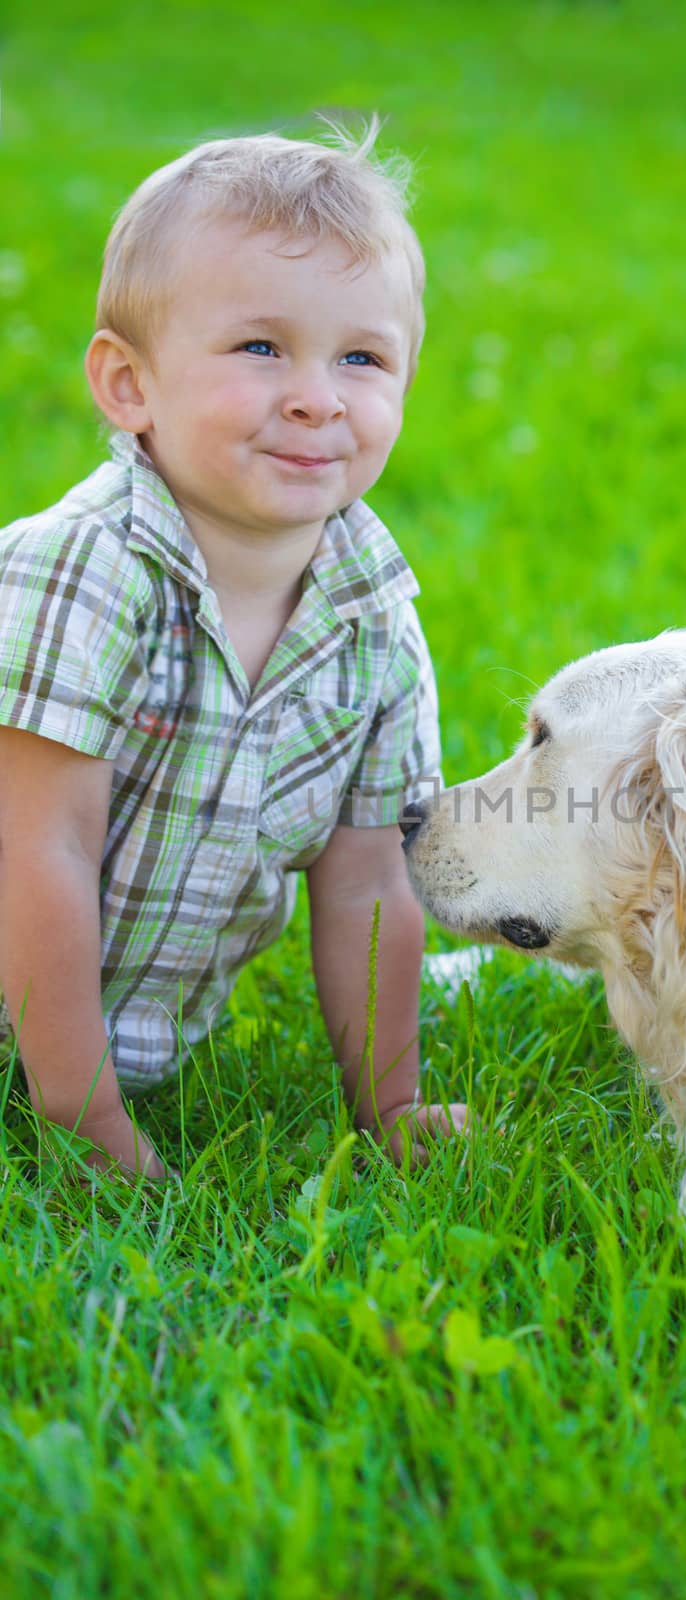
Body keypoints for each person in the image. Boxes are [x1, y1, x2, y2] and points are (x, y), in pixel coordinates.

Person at [0, 122, 466, 1179]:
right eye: (261, 347)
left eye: (362, 357)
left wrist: (391, 1107)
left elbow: (368, 880)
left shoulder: (373, 621)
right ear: (128, 386)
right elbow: (37, 851)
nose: (316, 394)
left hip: (137, 1033)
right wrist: (84, 1117)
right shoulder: (82, 574)